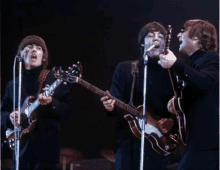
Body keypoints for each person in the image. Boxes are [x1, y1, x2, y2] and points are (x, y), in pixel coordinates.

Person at [101, 22, 176, 170]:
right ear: (142, 43)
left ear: (164, 45)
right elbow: (116, 101)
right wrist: (109, 107)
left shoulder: (170, 73)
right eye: (150, 36)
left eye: (161, 37)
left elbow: (179, 106)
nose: (156, 39)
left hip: (158, 142)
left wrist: (171, 121)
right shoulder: (126, 68)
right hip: (127, 141)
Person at [1, 35, 72, 170]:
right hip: (19, 152)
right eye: (29, 47)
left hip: (45, 151)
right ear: (21, 55)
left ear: (44, 57)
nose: (33, 50)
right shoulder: (13, 85)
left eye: (38, 48)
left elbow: (68, 110)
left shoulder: (53, 78)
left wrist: (51, 102)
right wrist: (9, 118)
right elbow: (1, 113)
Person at [159, 19, 219, 170]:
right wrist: (179, 102)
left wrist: (176, 64)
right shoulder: (195, 63)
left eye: (183, 31)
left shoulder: (210, 57)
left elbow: (206, 83)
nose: (178, 35)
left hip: (207, 144)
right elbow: (201, 96)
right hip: (197, 143)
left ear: (196, 37)